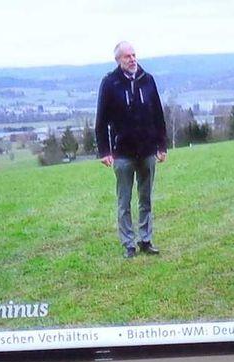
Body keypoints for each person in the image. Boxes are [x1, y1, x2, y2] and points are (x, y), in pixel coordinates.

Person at [95, 42, 169, 257]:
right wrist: (105, 151)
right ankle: (128, 244)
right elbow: (101, 120)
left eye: (134, 55)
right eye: (127, 56)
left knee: (146, 199)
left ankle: (145, 240)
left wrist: (162, 145)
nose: (132, 59)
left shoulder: (148, 80)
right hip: (122, 153)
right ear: (118, 60)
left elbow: (158, 115)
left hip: (147, 150)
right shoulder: (110, 83)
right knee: (124, 201)